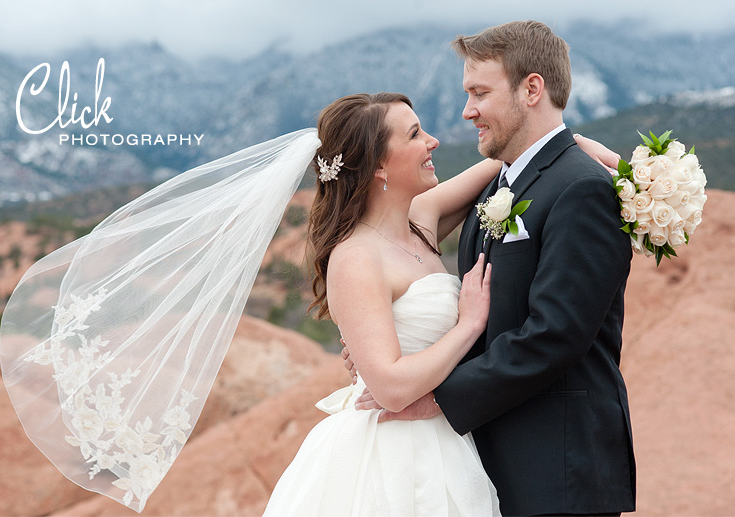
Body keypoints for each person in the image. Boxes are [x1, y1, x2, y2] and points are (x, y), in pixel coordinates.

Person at [263, 89, 621, 515]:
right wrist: (468, 325)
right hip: (396, 451)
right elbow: (392, 388)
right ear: (378, 164)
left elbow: (518, 158)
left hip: (451, 441)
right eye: (415, 134)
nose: (432, 141)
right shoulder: (356, 257)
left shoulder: (420, 220)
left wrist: (573, 144)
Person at [353, 21, 636, 516]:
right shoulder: (498, 187)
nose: (467, 112)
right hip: (493, 467)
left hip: (558, 474)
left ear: (532, 89)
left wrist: (434, 401)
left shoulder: (582, 188)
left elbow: (555, 335)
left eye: (479, 93)